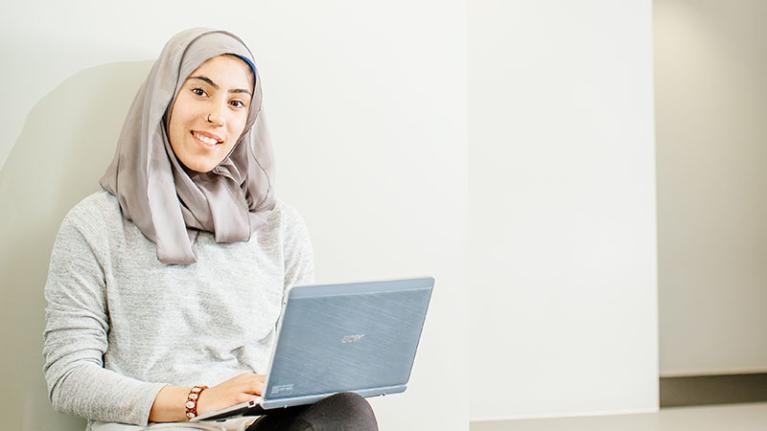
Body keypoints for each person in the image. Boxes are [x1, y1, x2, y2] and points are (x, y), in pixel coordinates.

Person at [42, 28, 379, 431]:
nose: (217, 116)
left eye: (236, 102)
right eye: (200, 92)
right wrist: (196, 401)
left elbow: (298, 364)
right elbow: (68, 378)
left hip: (253, 425)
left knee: (348, 411)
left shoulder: (280, 227)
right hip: (153, 427)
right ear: (164, 98)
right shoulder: (96, 224)